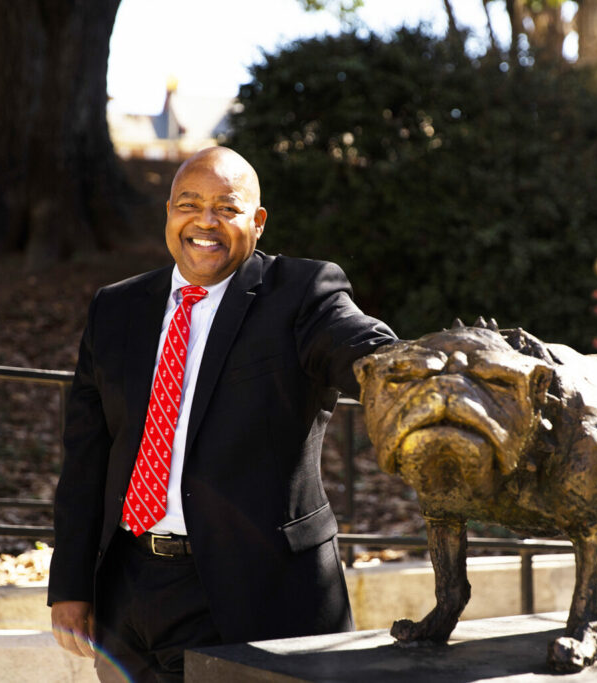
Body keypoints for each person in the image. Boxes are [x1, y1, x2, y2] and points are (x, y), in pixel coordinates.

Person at [48, 146, 396, 681]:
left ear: (257, 222)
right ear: (168, 213)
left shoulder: (302, 294)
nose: (204, 222)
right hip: (126, 593)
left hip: (255, 595)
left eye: (226, 208)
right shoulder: (116, 308)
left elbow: (363, 347)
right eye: (189, 204)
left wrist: (411, 367)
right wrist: (71, 585)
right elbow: (85, 459)